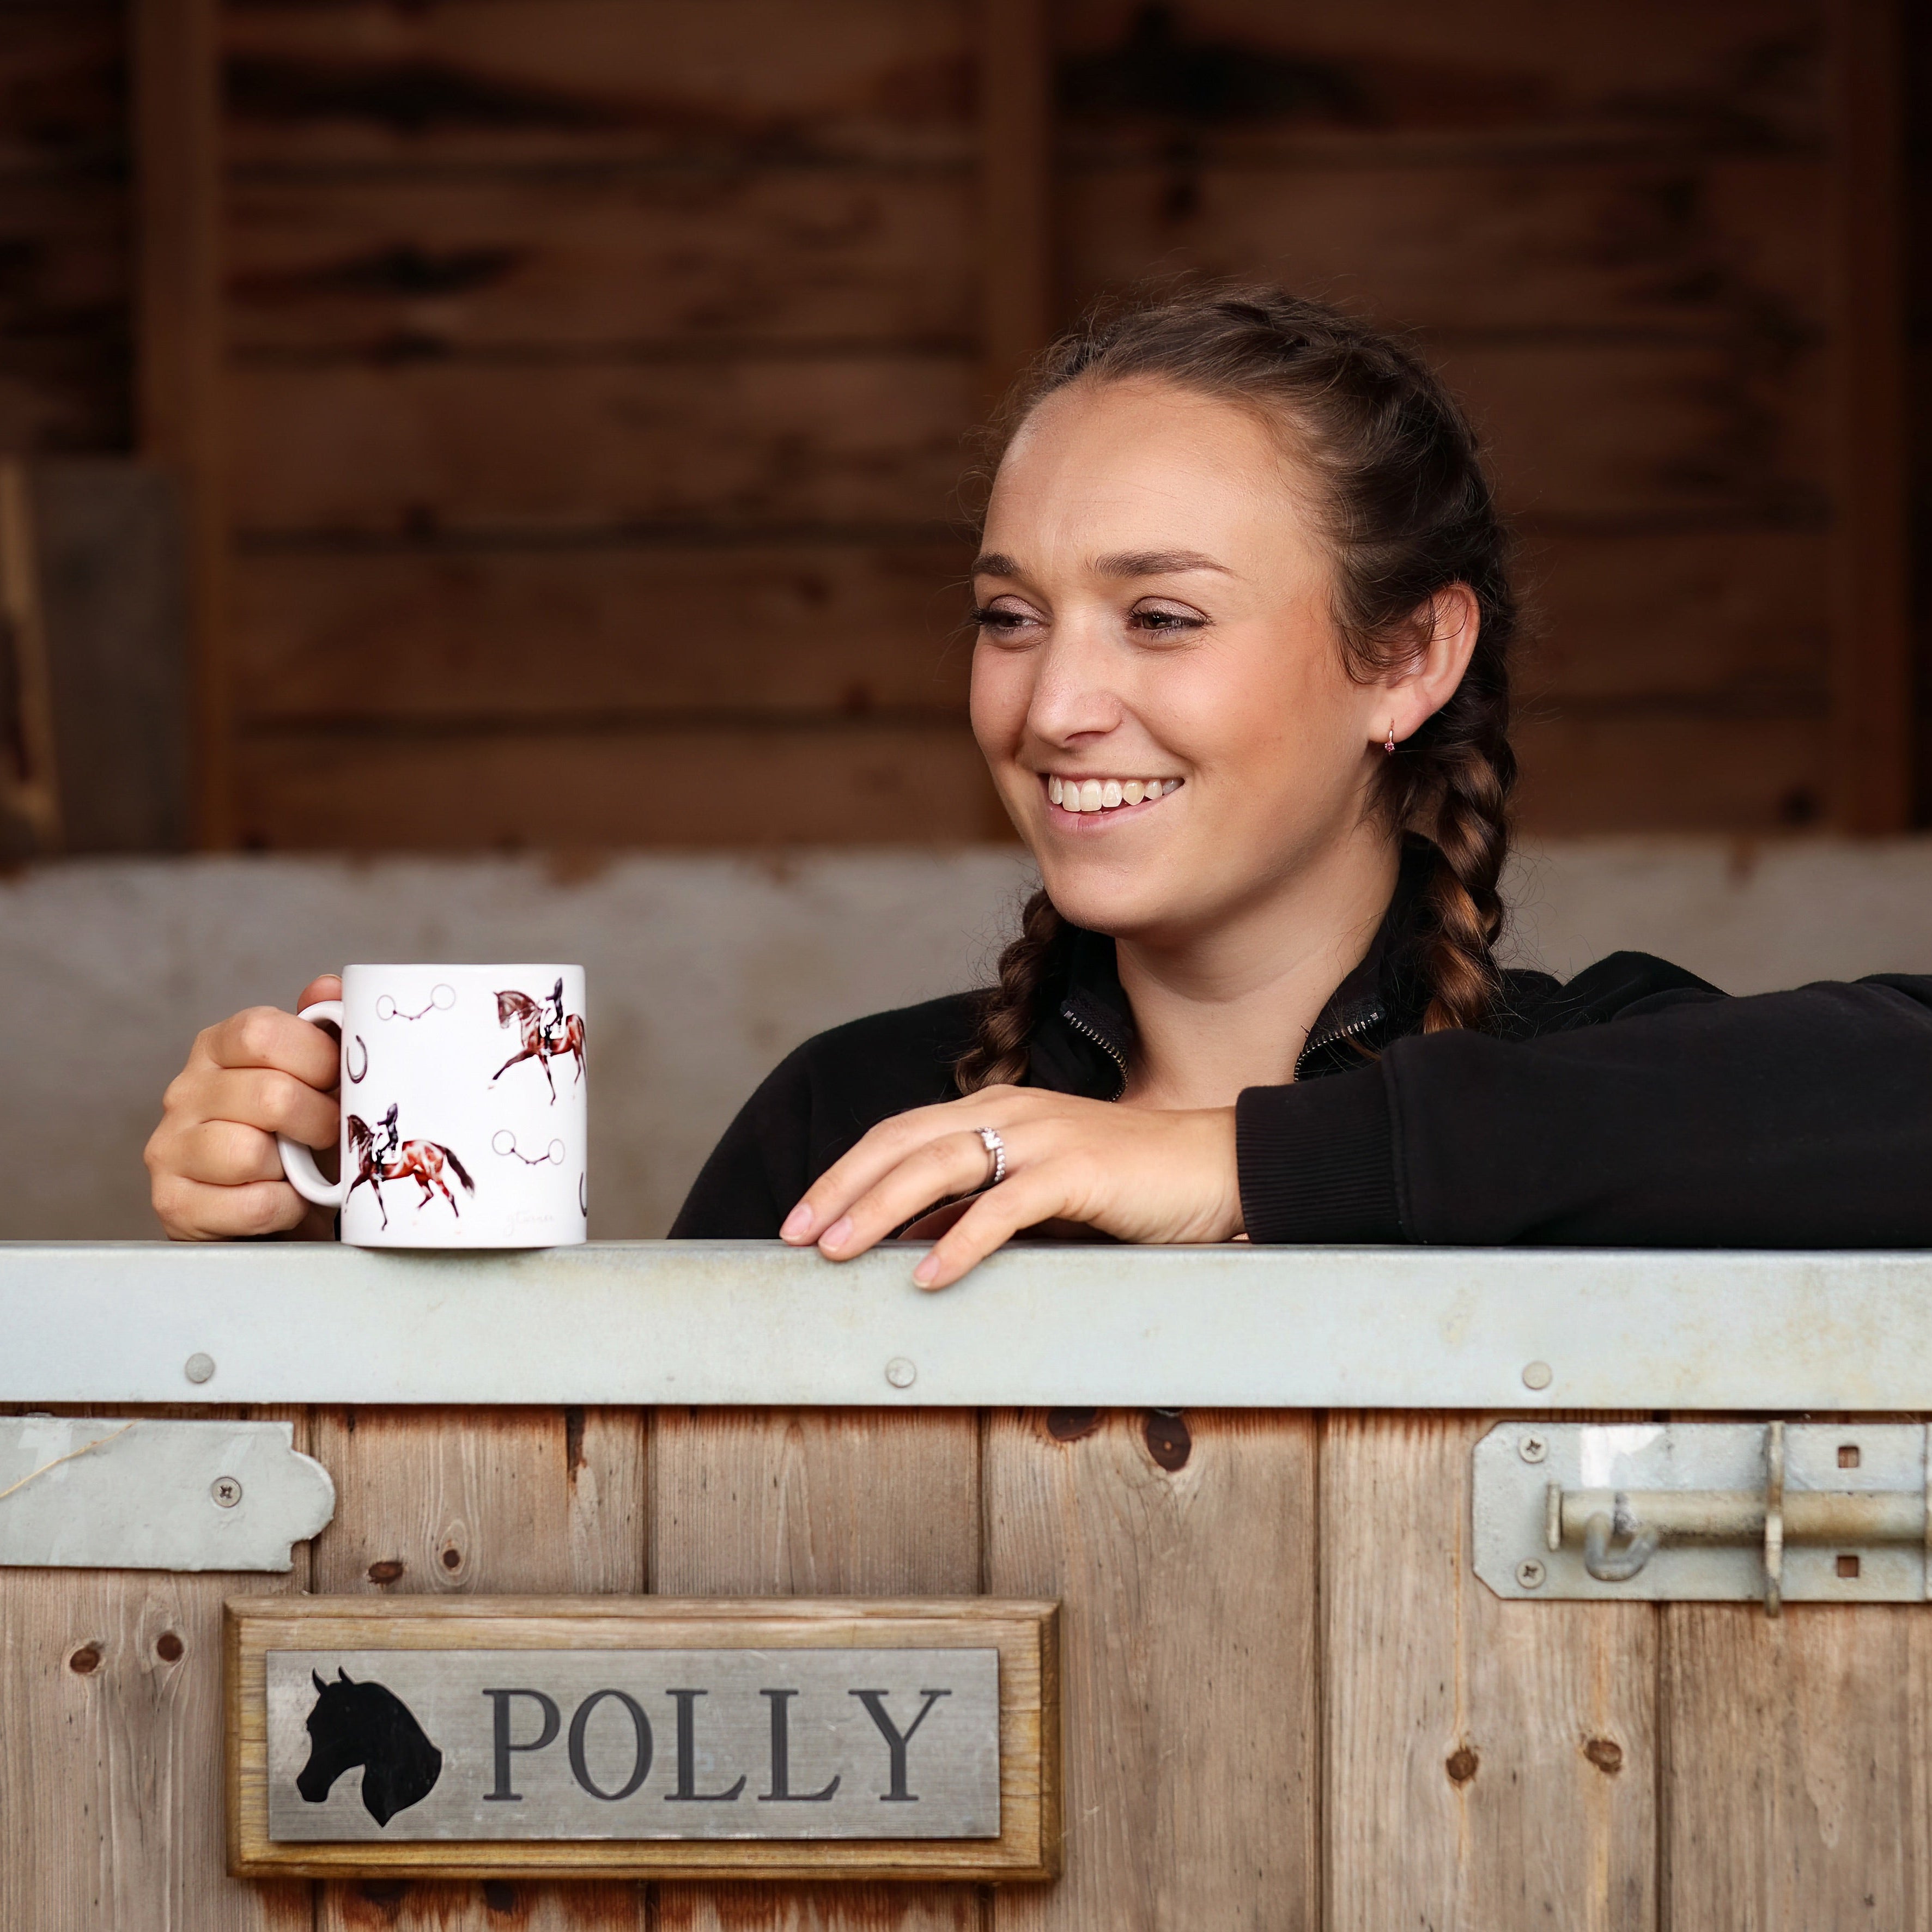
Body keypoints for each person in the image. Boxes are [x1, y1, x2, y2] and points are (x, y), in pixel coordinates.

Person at [145, 287, 1932, 1280]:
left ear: (1407, 658)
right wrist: (327, 1285)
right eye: (1009, 615)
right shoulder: (852, 1126)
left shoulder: (1605, 1086)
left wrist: (1243, 1164)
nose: (1057, 701)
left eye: (1160, 615)